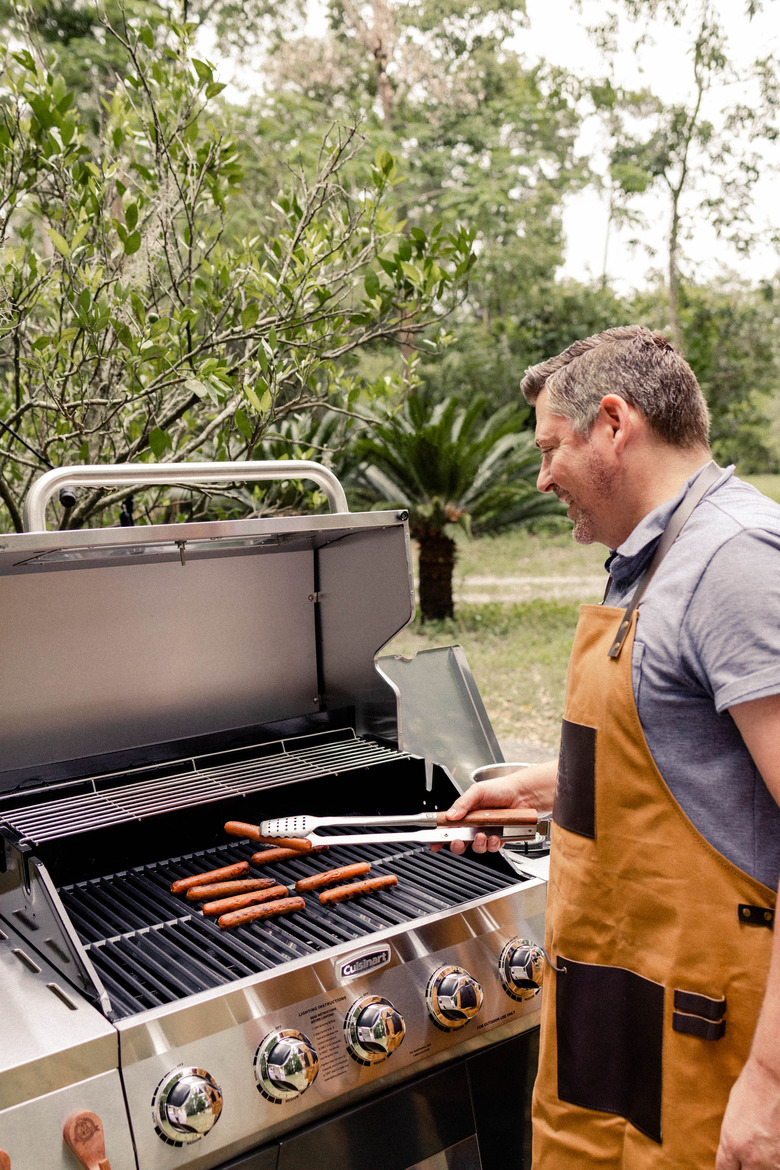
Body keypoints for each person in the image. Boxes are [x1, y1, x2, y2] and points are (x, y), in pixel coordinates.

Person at [442, 325, 780, 1169]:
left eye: (550, 447)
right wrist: (547, 789)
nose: (542, 476)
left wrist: (771, 1082)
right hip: (620, 1021)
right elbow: (692, 753)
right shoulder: (656, 558)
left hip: (715, 1041)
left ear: (615, 424)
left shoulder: (734, 561)